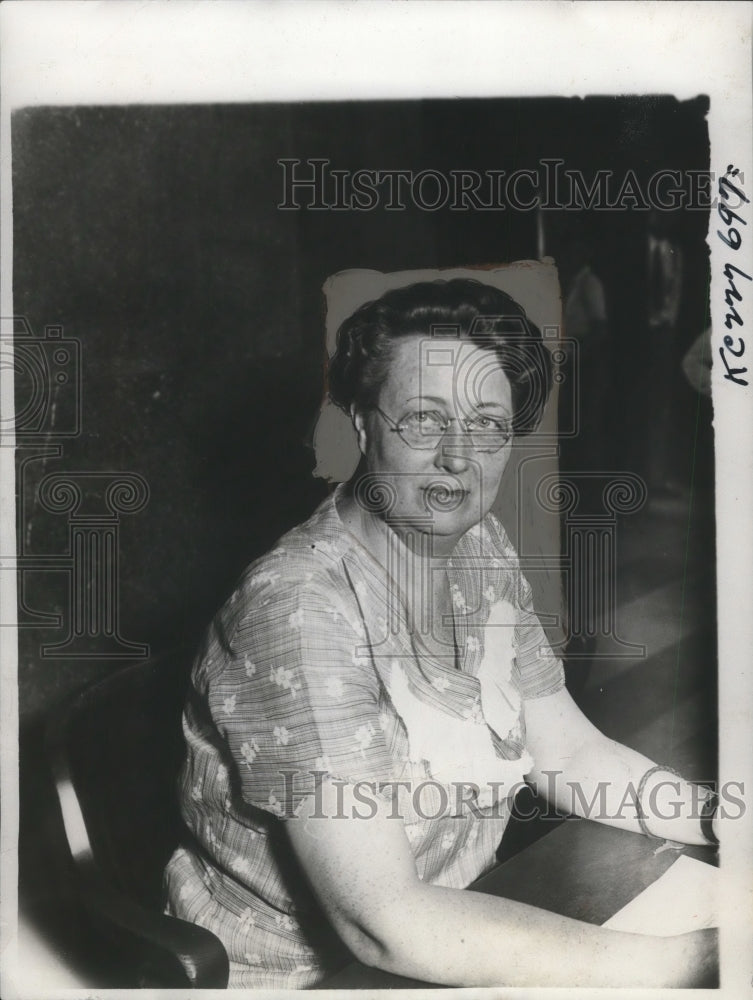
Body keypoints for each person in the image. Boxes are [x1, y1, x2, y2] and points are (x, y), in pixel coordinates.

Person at [163, 278, 718, 989]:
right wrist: (690, 962)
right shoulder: (299, 612)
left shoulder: (475, 546)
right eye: (422, 420)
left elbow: (567, 752)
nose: (459, 457)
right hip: (316, 974)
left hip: (459, 920)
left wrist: (716, 819)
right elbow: (381, 923)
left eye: (487, 423)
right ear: (362, 425)